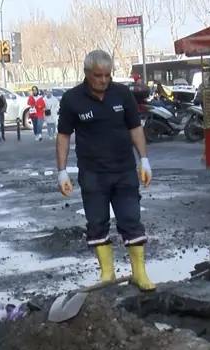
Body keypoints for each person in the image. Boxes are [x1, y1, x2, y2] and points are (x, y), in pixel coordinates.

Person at [56, 49, 155, 292]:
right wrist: (62, 171)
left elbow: (135, 128)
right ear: (87, 73)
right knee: (97, 224)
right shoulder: (72, 99)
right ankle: (107, 274)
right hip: (92, 174)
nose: (103, 80)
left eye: (107, 75)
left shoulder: (122, 94)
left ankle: (139, 273)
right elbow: (63, 136)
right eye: (98, 75)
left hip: (124, 171)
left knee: (132, 221)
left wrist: (144, 160)